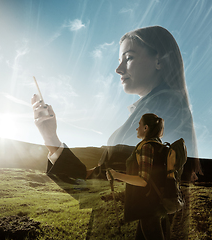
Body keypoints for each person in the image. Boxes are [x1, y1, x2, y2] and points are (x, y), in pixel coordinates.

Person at [31, 25, 202, 239]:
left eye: (128, 58)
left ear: (159, 60)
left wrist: (51, 138)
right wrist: (50, 137)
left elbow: (101, 189)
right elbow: (98, 183)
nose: (118, 69)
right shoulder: (159, 110)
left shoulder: (163, 108)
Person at [106, 113, 167, 240]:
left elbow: (143, 180)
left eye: (139, 124)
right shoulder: (158, 145)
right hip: (152, 204)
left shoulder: (146, 147)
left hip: (148, 206)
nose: (136, 128)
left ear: (146, 128)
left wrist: (117, 175)